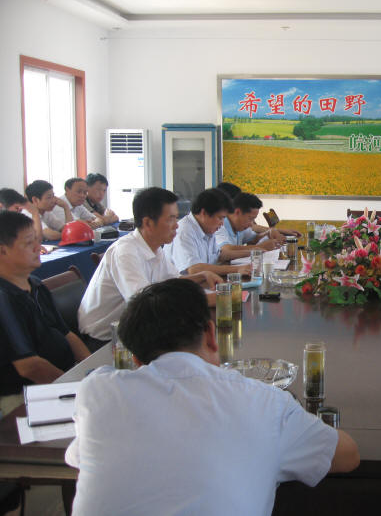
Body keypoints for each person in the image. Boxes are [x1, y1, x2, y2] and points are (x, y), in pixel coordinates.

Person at [66, 278, 360, 515]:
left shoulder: (96, 392)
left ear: (136, 359)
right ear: (211, 334)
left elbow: (82, 458)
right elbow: (347, 455)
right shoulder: (263, 402)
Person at [78, 187, 223, 347]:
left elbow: (174, 282)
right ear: (147, 223)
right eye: (171, 219)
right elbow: (144, 304)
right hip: (105, 339)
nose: (176, 225)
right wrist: (203, 299)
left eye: (177, 218)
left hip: (139, 329)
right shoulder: (125, 251)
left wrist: (202, 275)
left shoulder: (154, 247)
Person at [0, 212, 90, 415]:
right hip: (23, 395)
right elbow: (29, 367)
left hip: (60, 378)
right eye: (28, 243)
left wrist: (92, 372)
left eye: (37, 240)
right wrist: (73, 388)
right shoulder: (4, 297)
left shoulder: (36, 285)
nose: (38, 247)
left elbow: (66, 333)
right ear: (2, 251)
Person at [164, 188, 252, 277]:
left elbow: (219, 255)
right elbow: (194, 269)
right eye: (220, 218)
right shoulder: (184, 231)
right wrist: (237, 269)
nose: (222, 223)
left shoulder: (207, 228)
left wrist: (252, 253)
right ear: (204, 213)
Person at [217, 182, 301, 238]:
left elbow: (253, 235)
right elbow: (254, 228)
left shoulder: (237, 222)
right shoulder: (221, 225)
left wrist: (276, 232)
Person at [215, 192, 284, 259]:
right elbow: (225, 249)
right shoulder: (219, 226)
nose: (251, 224)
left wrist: (268, 233)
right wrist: (260, 247)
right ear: (238, 212)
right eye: (250, 218)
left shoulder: (239, 226)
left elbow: (253, 239)